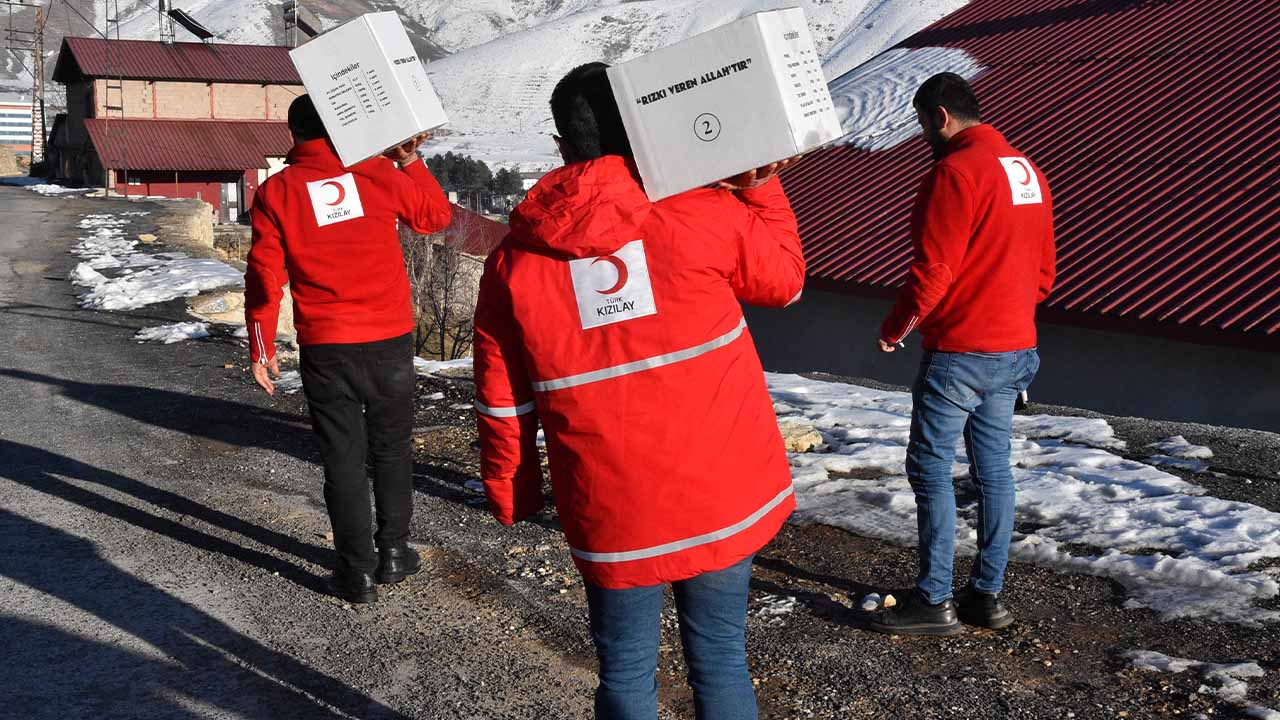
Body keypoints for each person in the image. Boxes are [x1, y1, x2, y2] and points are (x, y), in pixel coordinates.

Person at [472, 62, 804, 720]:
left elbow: (503, 396)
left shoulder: (514, 261)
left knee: (624, 669)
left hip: (611, 504)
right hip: (720, 491)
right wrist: (761, 187)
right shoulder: (705, 210)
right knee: (720, 654)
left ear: (563, 146)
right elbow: (785, 282)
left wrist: (514, 488)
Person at [244, 95, 452, 604]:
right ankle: (396, 553)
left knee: (342, 458)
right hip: (389, 339)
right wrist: (408, 159)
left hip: (326, 344)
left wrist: (261, 343)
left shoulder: (277, 191)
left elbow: (265, 276)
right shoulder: (378, 173)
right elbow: (434, 217)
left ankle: (356, 573)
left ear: (293, 135)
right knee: (392, 449)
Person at [869, 73, 1056, 636]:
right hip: (1015, 345)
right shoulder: (1027, 170)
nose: (925, 133)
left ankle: (933, 599)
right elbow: (1044, 273)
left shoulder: (954, 171)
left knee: (929, 470)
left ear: (941, 117)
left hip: (960, 351)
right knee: (993, 471)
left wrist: (898, 324)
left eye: (924, 123)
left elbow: (935, 269)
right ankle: (986, 596)